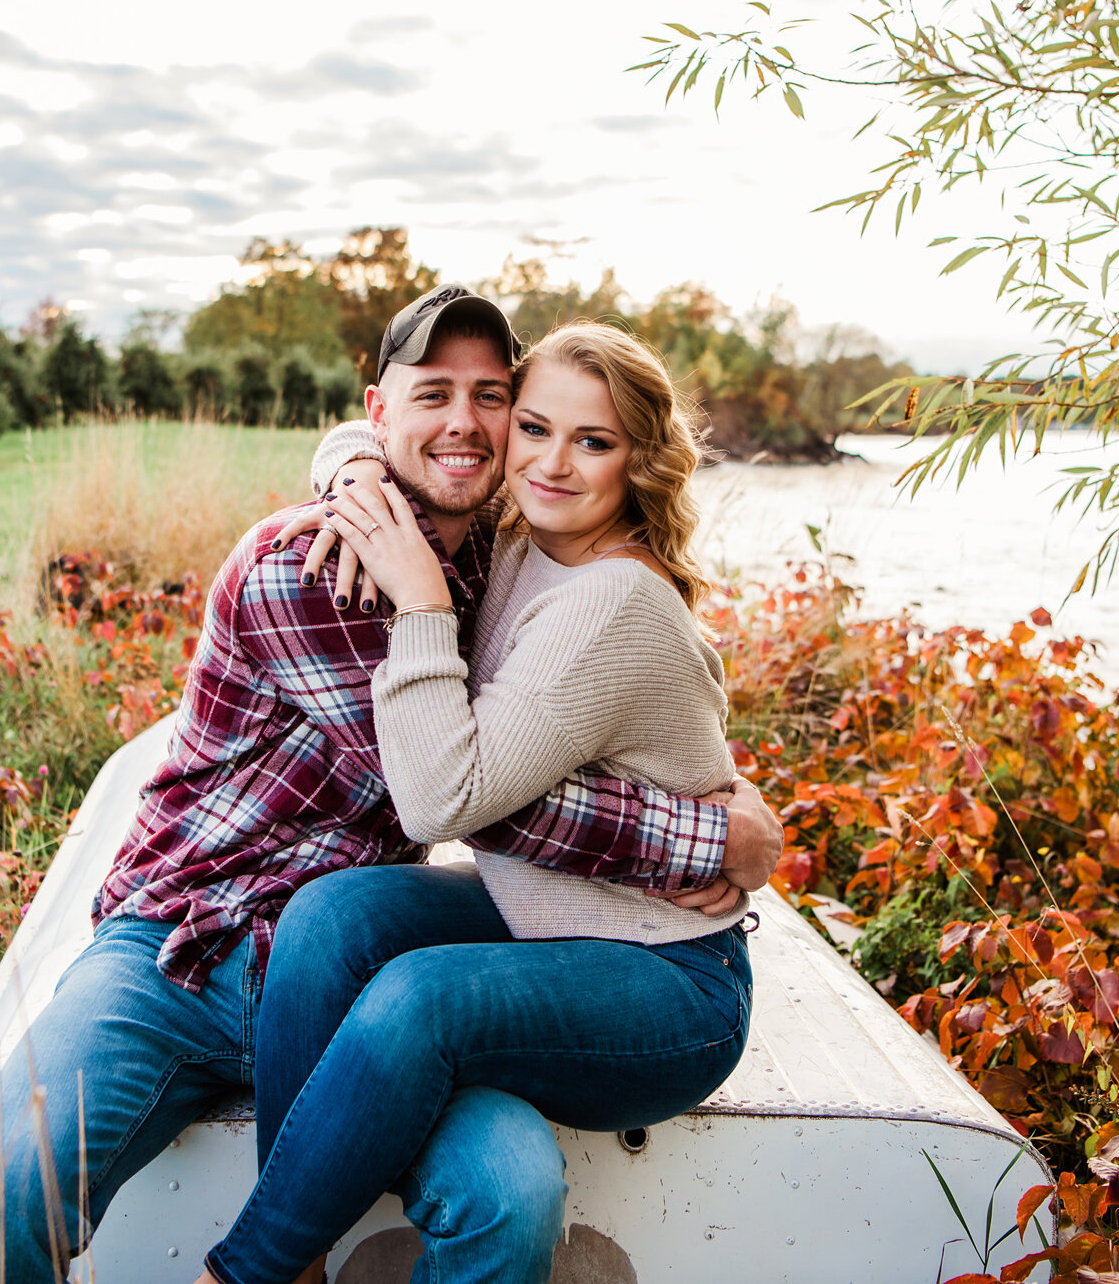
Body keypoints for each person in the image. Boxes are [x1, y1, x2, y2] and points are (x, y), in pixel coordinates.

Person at [0, 288, 785, 1284]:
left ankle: (275, 1250)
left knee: (508, 1197)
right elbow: (463, 795)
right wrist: (714, 840)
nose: (466, 423)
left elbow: (563, 716)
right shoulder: (317, 564)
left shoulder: (499, 548)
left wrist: (727, 810)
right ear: (382, 411)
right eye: (432, 395)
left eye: (491, 396)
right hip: (187, 952)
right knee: (0, 1188)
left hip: (338, 980)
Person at [196, 322, 756, 1284]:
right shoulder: (523, 525)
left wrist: (419, 599)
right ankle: (300, 1246)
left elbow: (440, 796)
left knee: (422, 1001)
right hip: (551, 918)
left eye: (595, 441)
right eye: (533, 426)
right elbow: (372, 435)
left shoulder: (610, 601)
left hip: (669, 981)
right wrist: (354, 481)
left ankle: (247, 1271)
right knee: (331, 912)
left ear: (641, 460)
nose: (550, 462)